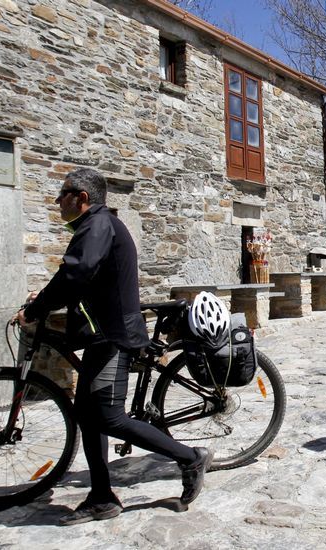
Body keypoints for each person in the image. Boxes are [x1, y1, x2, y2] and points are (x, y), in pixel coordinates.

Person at [17, 168, 212, 525]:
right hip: (102, 335)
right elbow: (78, 275)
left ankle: (190, 458)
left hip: (112, 337)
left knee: (108, 417)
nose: (58, 201)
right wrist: (42, 297)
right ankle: (102, 496)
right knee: (87, 415)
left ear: (82, 197)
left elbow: (76, 273)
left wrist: (35, 309)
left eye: (63, 194)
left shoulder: (98, 225)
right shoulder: (94, 226)